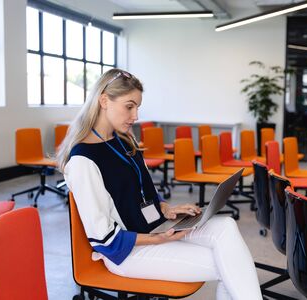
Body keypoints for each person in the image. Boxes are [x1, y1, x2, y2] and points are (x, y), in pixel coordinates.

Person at [57, 69, 262, 300]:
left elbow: (140, 191)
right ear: (104, 100)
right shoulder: (83, 160)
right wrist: (156, 240)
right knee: (228, 263)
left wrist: (165, 208)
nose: (135, 116)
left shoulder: (123, 141)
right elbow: (103, 237)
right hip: (126, 253)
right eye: (129, 106)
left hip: (153, 229)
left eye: (137, 107)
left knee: (225, 226)